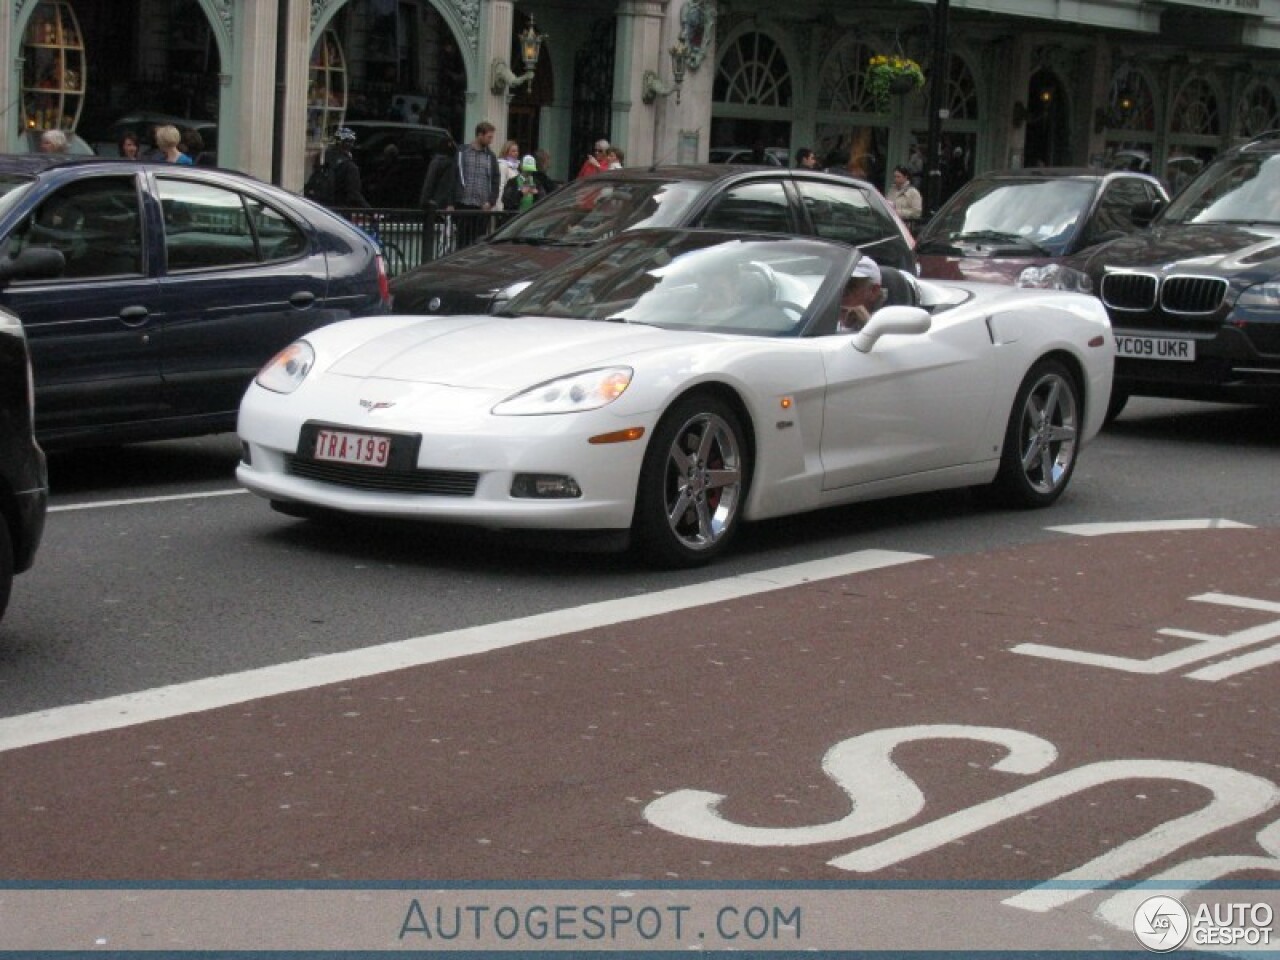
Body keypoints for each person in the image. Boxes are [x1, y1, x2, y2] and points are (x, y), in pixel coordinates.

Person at [456, 121, 499, 210]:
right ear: (480, 135)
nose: (491, 141)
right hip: (463, 202)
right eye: (489, 137)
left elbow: (495, 180)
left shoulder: (491, 156)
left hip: (482, 205)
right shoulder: (462, 152)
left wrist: (491, 202)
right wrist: (451, 202)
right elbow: (454, 176)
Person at [837, 257, 884, 332]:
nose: (842, 294)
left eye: (850, 287)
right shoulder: (820, 317)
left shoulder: (888, 324)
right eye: (839, 286)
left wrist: (868, 325)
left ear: (873, 291)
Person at [419, 136, 461, 210]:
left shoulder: (437, 162)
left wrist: (424, 201)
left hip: (436, 203)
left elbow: (429, 182)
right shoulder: (451, 163)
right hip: (444, 203)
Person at [497, 139, 520, 209]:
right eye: (513, 151)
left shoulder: (517, 167)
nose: (516, 153)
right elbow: (501, 186)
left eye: (517, 151)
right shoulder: (502, 165)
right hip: (505, 204)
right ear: (506, 152)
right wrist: (499, 207)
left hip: (514, 203)